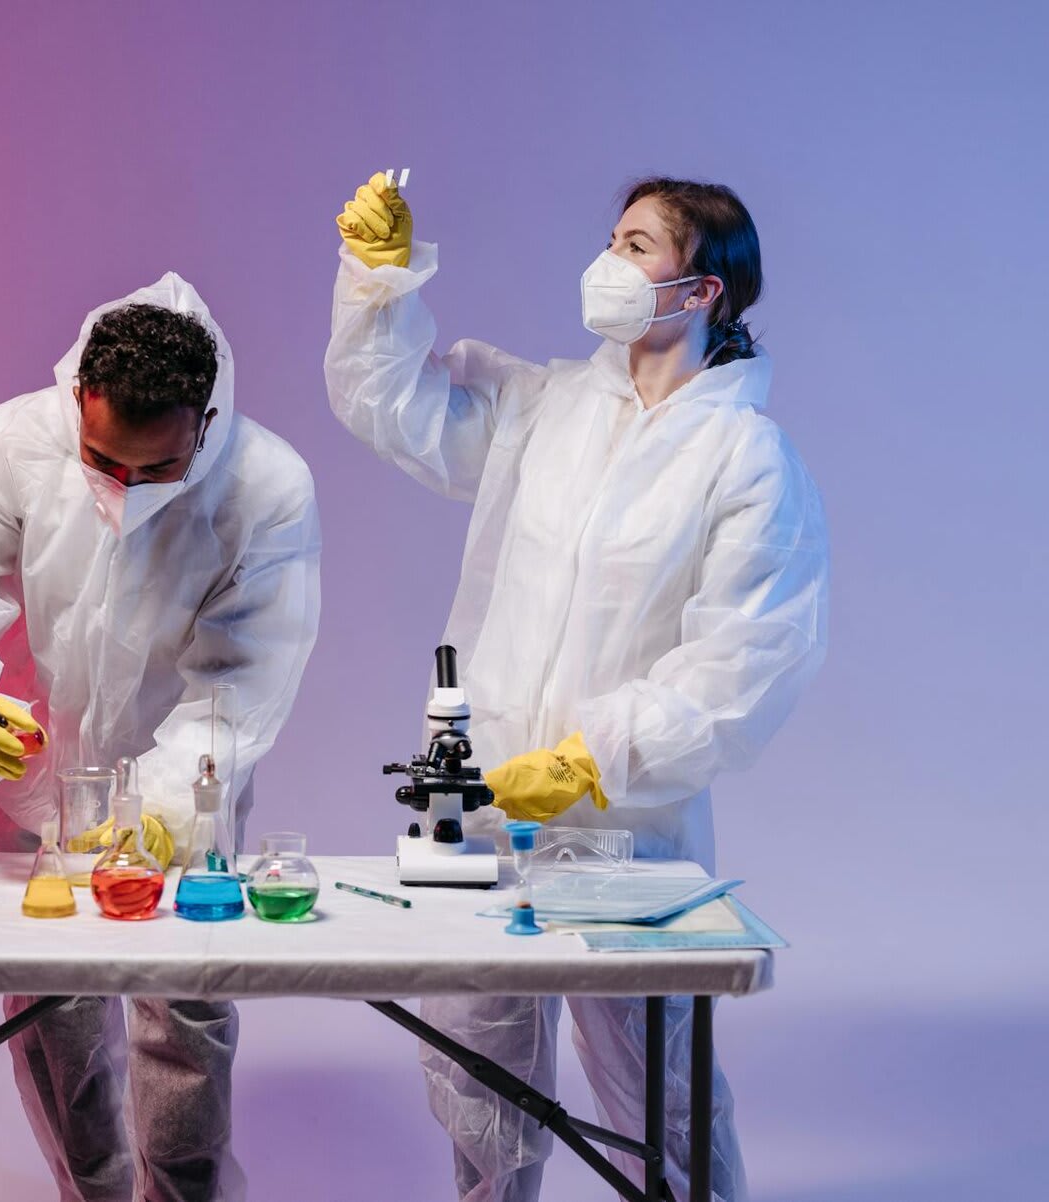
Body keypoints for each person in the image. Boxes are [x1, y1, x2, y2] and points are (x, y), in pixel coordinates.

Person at [325, 173, 828, 1201]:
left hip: (624, 832)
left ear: (704, 291)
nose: (608, 261)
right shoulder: (549, 407)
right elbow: (402, 410)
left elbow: (746, 659)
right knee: (481, 1089)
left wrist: (595, 756)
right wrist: (376, 284)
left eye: (637, 245)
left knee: (662, 1102)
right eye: (612, 236)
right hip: (487, 804)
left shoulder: (746, 458)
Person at [0, 273, 320, 1202]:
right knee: (55, 1017)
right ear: (80, 402)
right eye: (103, 464)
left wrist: (159, 801)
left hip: (187, 775)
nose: (126, 493)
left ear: (205, 418)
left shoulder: (265, 485)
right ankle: (95, 1196)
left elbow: (243, 676)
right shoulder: (9, 445)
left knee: (185, 1003)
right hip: (39, 769)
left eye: (157, 471)